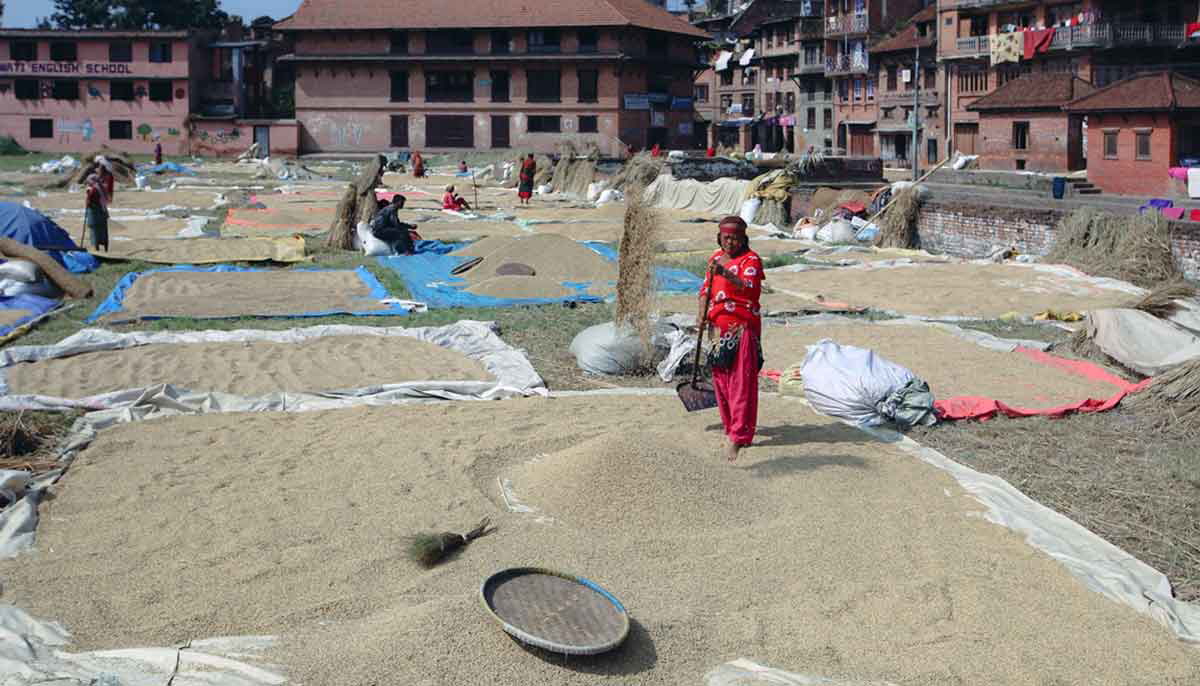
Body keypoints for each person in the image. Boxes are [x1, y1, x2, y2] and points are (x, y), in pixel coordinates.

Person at [698, 216, 764, 462]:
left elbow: (748, 287)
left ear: (744, 238)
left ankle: (739, 436)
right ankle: (730, 427)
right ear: (719, 237)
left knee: (741, 383)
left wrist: (725, 271)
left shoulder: (751, 260)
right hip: (717, 328)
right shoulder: (714, 258)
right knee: (722, 382)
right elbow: (705, 289)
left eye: (735, 238)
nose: (731, 242)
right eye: (726, 237)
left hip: (742, 326)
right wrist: (701, 315)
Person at [83, 172, 109, 252]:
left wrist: (87, 199)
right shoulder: (102, 188)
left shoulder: (93, 189)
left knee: (94, 230)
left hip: (95, 212)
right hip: (103, 211)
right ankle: (105, 248)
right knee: (103, 230)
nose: (88, 183)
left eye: (89, 181)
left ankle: (96, 248)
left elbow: (89, 201)